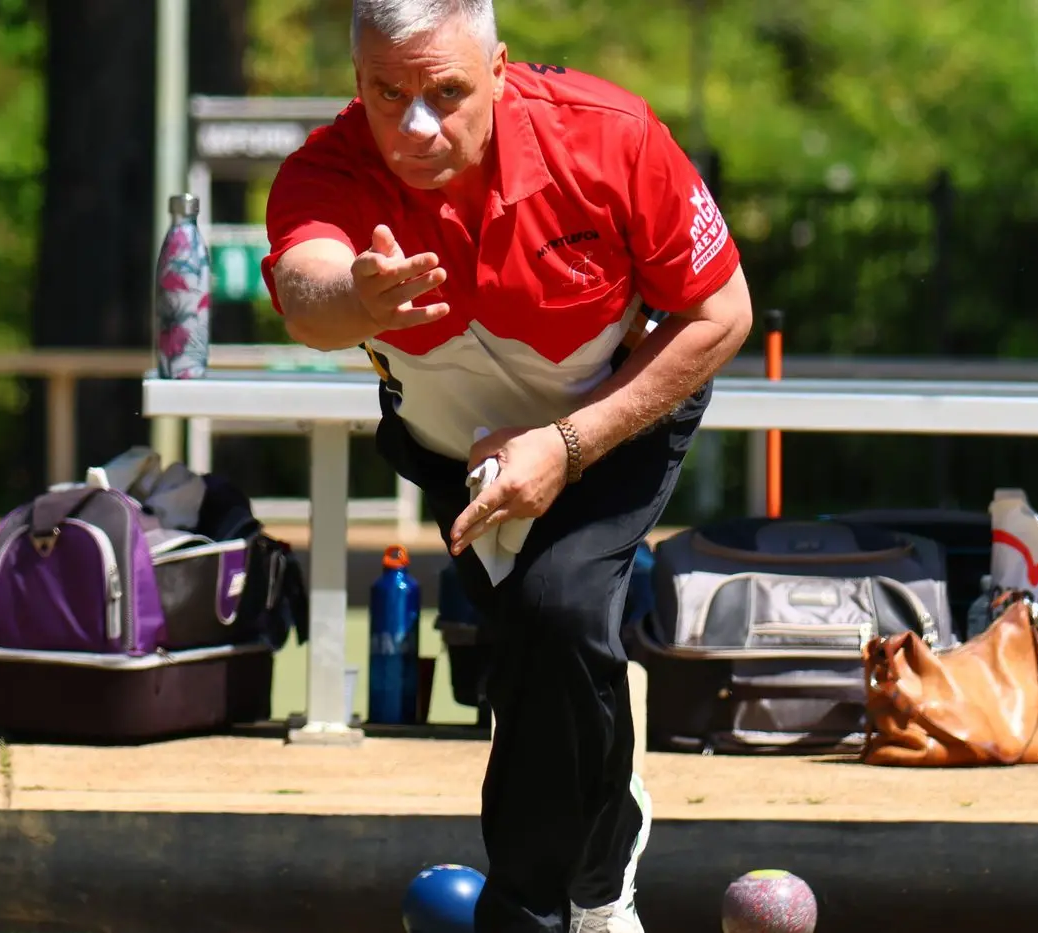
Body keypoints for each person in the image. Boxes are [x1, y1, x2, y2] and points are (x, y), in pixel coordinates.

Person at [260, 1, 754, 930]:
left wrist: (566, 444)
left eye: (445, 92)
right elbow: (304, 296)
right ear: (357, 81)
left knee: (559, 610)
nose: (414, 123)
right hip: (456, 450)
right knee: (544, 652)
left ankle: (541, 911)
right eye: (386, 93)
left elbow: (720, 314)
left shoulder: (611, 137)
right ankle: (609, 850)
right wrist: (359, 297)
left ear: (498, 69)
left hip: (609, 421)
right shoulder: (327, 167)